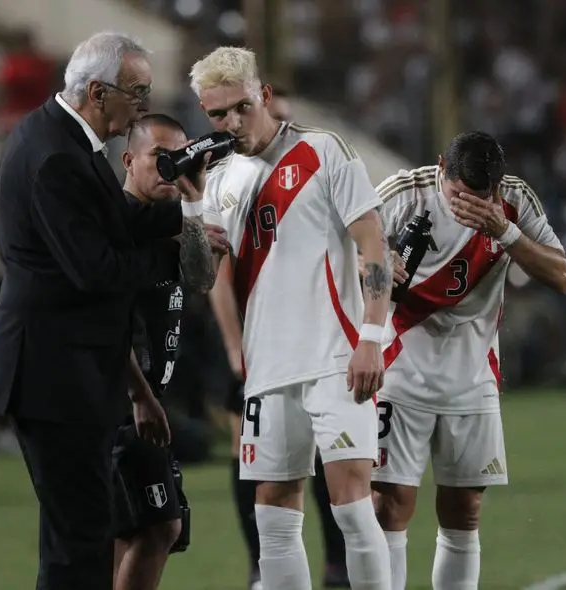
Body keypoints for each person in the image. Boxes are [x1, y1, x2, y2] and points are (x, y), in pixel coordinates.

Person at [0, 32, 218, 590]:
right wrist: (166, 253)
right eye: (136, 93)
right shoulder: (56, 157)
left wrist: (183, 218)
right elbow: (96, 271)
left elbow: (115, 226)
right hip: (53, 374)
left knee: (82, 535)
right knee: (79, 543)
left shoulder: (60, 138)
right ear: (96, 91)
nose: (141, 105)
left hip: (64, 371)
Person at [192, 46, 394, 590]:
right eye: (217, 115)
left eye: (240, 107)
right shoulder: (218, 182)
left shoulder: (323, 150)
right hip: (268, 368)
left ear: (263, 95)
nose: (231, 123)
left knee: (351, 505)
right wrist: (189, 210)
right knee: (274, 513)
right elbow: (206, 278)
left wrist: (372, 335)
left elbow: (371, 240)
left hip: (336, 358)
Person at [370, 131, 566, 590]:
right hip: (401, 363)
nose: (470, 207)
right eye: (460, 195)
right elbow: (343, 243)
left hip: (473, 370)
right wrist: (377, 258)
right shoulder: (405, 192)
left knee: (465, 510)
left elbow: (562, 275)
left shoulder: (515, 200)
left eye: (483, 197)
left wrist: (504, 230)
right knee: (388, 503)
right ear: (442, 169)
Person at [210, 85, 349, 590]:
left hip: (316, 348)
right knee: (252, 464)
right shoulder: (232, 182)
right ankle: (259, 566)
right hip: (257, 350)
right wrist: (233, 347)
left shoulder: (318, 168)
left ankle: (337, 564)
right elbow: (220, 279)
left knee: (327, 462)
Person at [111, 113, 230, 590]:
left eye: (177, 155)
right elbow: (105, 325)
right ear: (128, 159)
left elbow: (201, 279)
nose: (169, 167)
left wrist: (196, 195)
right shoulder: (118, 223)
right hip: (122, 400)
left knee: (137, 528)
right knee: (159, 525)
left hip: (149, 397)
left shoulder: (171, 220)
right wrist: (139, 395)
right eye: (158, 157)